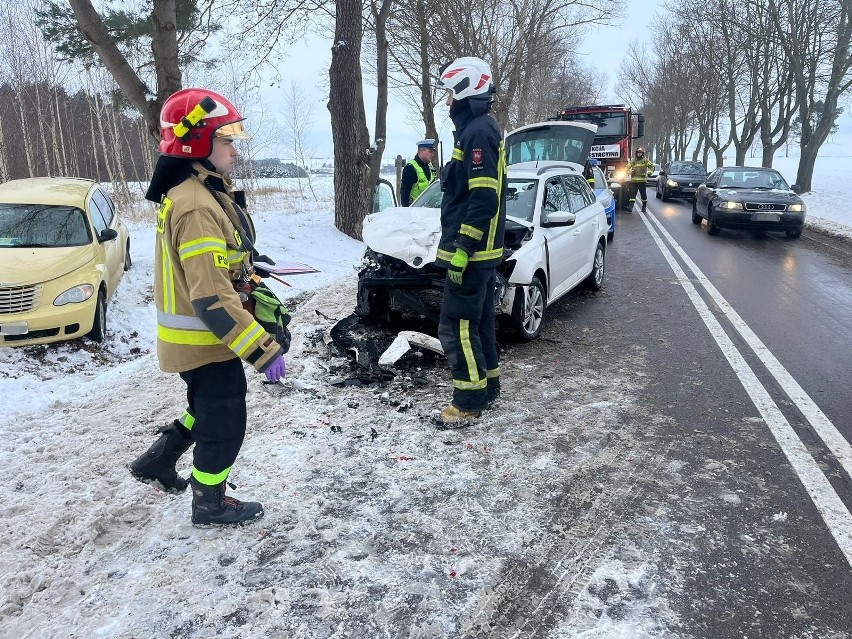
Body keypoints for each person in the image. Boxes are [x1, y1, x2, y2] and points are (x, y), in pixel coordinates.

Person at [130, 88, 286, 526]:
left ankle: (157, 461)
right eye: (227, 138)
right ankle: (210, 503)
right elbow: (211, 297)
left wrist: (247, 265)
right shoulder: (196, 205)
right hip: (206, 339)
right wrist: (263, 350)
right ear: (196, 142)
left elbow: (209, 266)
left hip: (194, 340)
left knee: (205, 405)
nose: (235, 149)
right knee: (225, 418)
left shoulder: (195, 190)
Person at [434, 56, 506, 426]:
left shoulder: (477, 131)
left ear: (465, 89)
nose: (448, 101)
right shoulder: (479, 128)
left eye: (450, 93)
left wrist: (463, 247)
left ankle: (468, 401)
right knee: (478, 325)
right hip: (480, 253)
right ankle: (488, 387)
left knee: (456, 327)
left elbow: (483, 198)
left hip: (473, 255)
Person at [400, 139, 437, 206]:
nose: (433, 154)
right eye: (430, 152)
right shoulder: (410, 168)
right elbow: (404, 194)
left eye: (433, 152)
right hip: (415, 211)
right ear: (422, 151)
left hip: (429, 209)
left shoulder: (430, 166)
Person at [627, 147, 654, 212]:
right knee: (632, 195)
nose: (639, 154)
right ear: (636, 153)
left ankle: (644, 207)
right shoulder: (633, 161)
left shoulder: (645, 160)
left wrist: (649, 173)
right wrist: (628, 172)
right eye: (638, 153)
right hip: (633, 181)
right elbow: (626, 167)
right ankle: (631, 207)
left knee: (643, 195)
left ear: (642, 154)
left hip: (642, 181)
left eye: (640, 153)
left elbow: (652, 167)